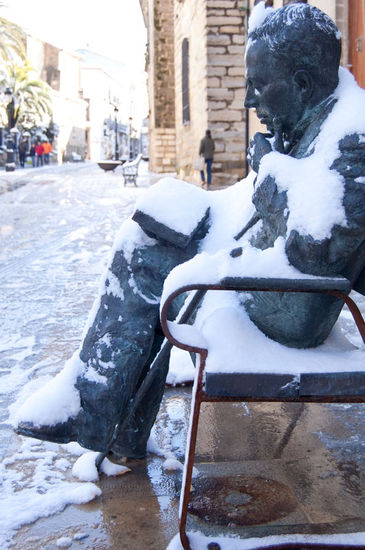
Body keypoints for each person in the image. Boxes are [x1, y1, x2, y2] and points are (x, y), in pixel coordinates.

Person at [16, 4, 365, 459]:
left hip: (288, 305)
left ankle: (96, 408)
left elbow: (312, 248)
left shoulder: (352, 140)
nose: (249, 102)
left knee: (146, 261)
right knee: (150, 232)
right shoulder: (314, 119)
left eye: (260, 87)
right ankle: (110, 422)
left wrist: (269, 173)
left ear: (301, 84)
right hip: (266, 273)